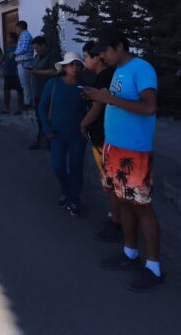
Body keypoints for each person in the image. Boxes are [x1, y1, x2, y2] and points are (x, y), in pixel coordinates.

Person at [84, 30, 162, 292]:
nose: (102, 56)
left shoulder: (142, 69)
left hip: (134, 152)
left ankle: (154, 267)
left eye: (105, 51)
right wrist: (101, 97)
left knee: (142, 207)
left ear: (120, 46)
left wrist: (109, 99)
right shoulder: (118, 69)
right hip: (114, 148)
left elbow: (149, 107)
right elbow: (119, 102)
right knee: (123, 201)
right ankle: (130, 253)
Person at [38, 52, 90, 216]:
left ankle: (74, 198)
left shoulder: (84, 87)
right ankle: (65, 190)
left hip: (78, 134)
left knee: (76, 167)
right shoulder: (53, 84)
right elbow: (42, 107)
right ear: (65, 67)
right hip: (57, 133)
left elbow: (91, 109)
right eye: (71, 64)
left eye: (77, 65)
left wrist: (87, 126)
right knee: (58, 165)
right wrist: (46, 128)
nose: (74, 68)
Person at [81, 41, 120, 243]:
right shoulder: (104, 76)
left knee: (109, 181)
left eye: (86, 56)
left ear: (96, 58)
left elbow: (98, 106)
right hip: (105, 134)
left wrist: (83, 124)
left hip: (103, 136)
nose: (84, 60)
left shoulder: (104, 76)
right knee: (109, 181)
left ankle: (117, 223)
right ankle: (116, 218)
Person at [29, 36, 59, 150]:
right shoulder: (37, 57)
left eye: (37, 48)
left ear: (44, 46)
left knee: (49, 118)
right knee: (40, 118)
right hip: (37, 92)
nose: (36, 51)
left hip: (49, 93)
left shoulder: (53, 56)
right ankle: (40, 141)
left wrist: (37, 72)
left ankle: (50, 142)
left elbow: (56, 71)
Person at [0, 32, 24, 114]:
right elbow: (5, 59)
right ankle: (7, 108)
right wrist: (4, 69)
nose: (7, 39)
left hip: (16, 73)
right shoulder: (7, 48)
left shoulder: (18, 48)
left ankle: (19, 109)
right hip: (8, 72)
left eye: (8, 37)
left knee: (19, 91)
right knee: (6, 90)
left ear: (12, 39)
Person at [13, 21, 35, 109]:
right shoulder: (23, 35)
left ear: (20, 27)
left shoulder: (25, 35)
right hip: (23, 62)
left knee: (26, 84)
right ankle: (29, 102)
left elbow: (24, 48)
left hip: (24, 62)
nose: (16, 30)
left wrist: (14, 53)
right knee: (27, 84)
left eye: (17, 28)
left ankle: (28, 102)